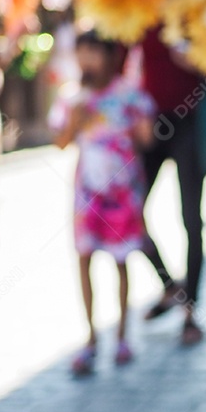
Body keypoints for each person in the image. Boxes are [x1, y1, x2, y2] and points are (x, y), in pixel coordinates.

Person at [51, 31, 155, 375]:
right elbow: (60, 142)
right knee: (84, 258)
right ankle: (91, 338)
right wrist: (75, 119)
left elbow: (147, 138)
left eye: (94, 52)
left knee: (121, 260)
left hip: (123, 191)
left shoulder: (129, 94)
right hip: (87, 191)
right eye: (81, 53)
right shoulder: (72, 98)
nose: (87, 60)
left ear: (111, 56)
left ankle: (123, 335)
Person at [138, 26, 206, 345]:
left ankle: (190, 310)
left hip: (190, 121)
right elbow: (121, 60)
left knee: (191, 219)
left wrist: (194, 58)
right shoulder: (139, 10)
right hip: (150, 122)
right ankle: (169, 286)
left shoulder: (193, 12)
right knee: (129, 213)